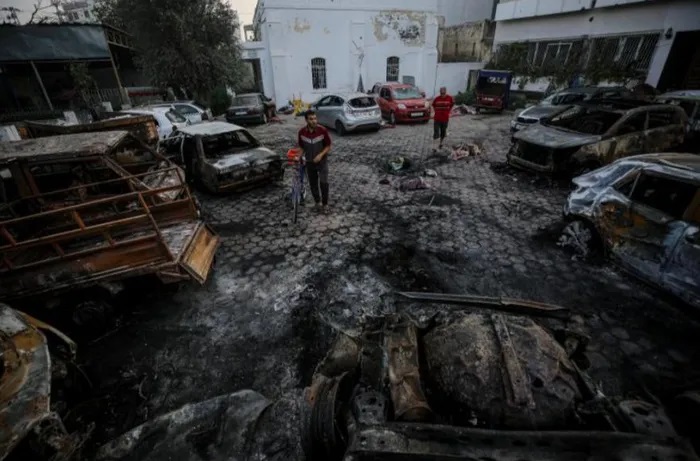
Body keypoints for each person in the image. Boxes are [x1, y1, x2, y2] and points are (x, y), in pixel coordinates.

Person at [297, 110, 332, 213]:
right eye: (311, 119)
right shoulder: (301, 132)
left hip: (322, 162)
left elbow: (328, 145)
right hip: (309, 162)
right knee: (313, 184)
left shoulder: (323, 130)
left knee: (323, 183)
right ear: (306, 120)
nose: (314, 121)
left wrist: (321, 155)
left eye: (315, 118)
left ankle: (325, 205)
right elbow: (302, 147)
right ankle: (317, 202)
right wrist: (299, 156)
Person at [432, 86, 454, 152]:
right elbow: (433, 105)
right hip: (437, 119)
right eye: (441, 93)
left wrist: (448, 111)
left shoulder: (450, 98)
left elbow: (452, 104)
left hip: (445, 119)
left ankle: (441, 143)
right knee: (436, 132)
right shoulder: (436, 99)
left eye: (443, 93)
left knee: (443, 132)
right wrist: (437, 111)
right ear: (440, 92)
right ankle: (435, 147)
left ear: (445, 92)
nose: (442, 95)